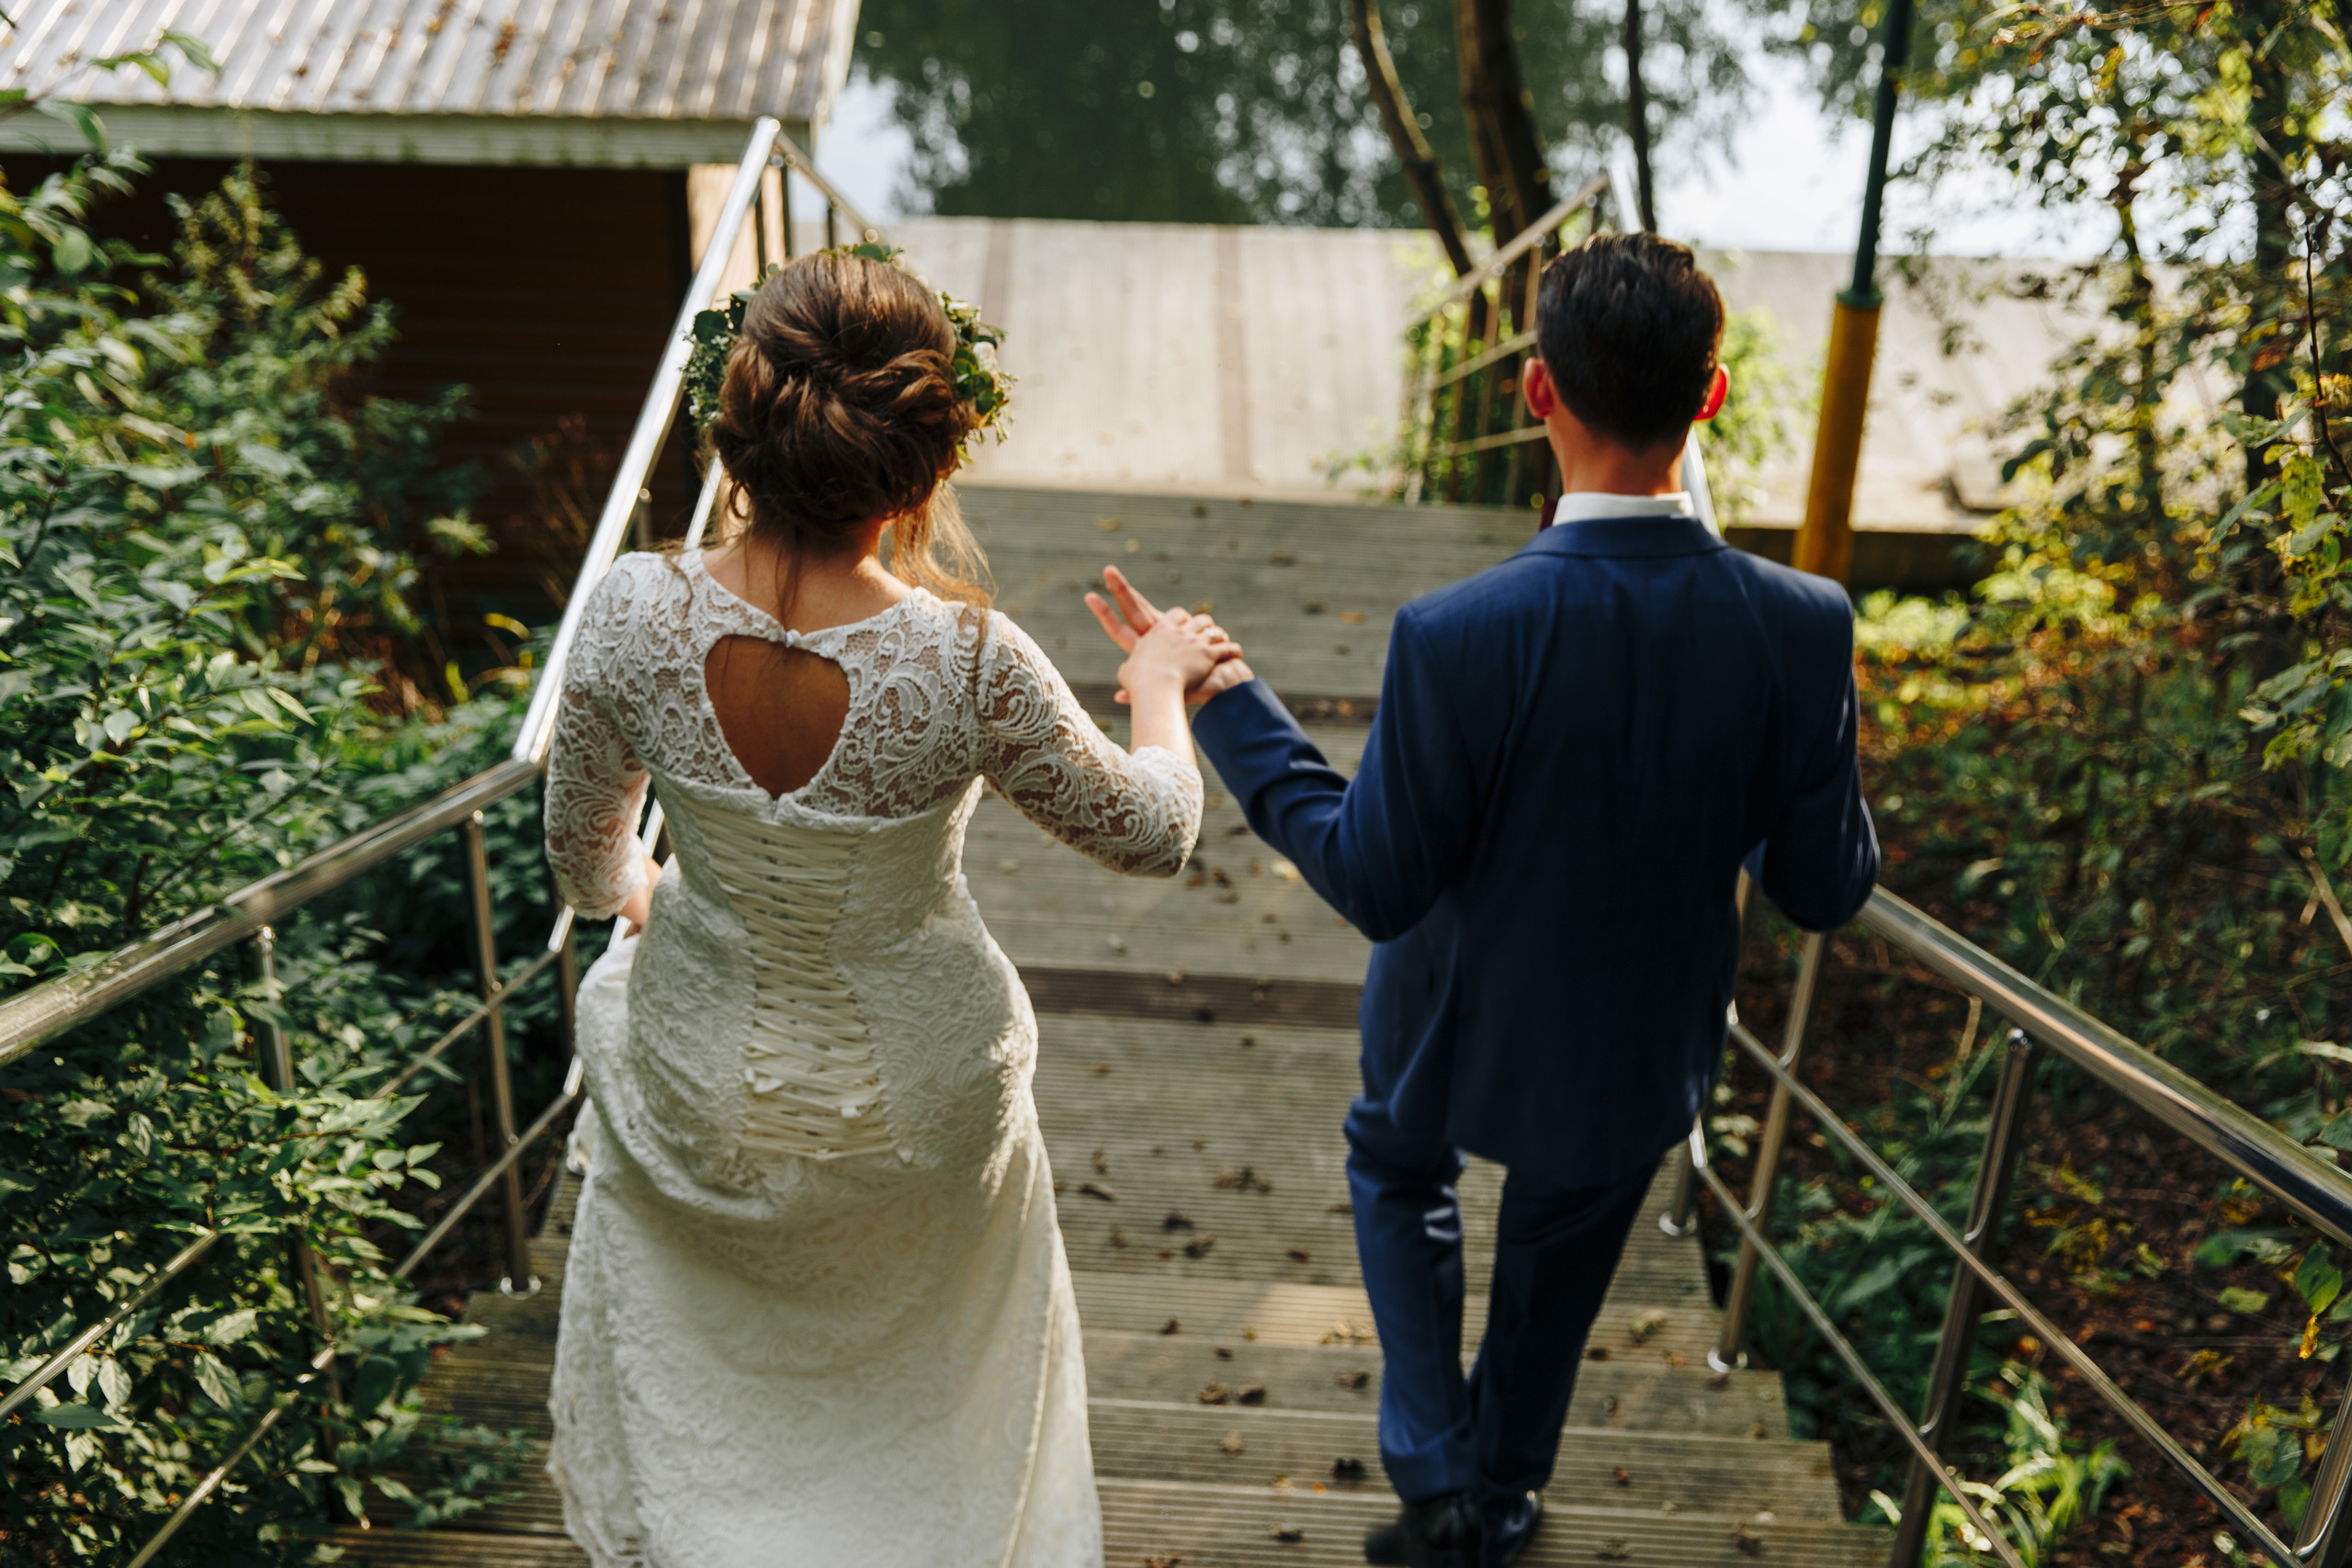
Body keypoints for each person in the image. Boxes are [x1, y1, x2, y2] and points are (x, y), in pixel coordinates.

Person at [1086, 231, 1879, 1568]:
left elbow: (1378, 879)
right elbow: (1823, 885)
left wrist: (1226, 706)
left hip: (1456, 1018)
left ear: (1537, 393)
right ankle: (1503, 1495)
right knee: (1560, 1264)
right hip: (1638, 1047)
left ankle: (1438, 1473)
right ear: (1714, 395)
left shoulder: (1457, 634)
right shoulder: (1803, 625)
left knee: (1399, 1171)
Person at [540, 249, 1242, 1567]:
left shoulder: (634, 612)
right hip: (920, 1109)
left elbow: (586, 867)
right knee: (927, 1393)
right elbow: (1154, 834)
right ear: (925, 472)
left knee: (721, 1378)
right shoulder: (970, 663)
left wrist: (641, 886)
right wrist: (1156, 682)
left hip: (701, 1083)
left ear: (734, 432)